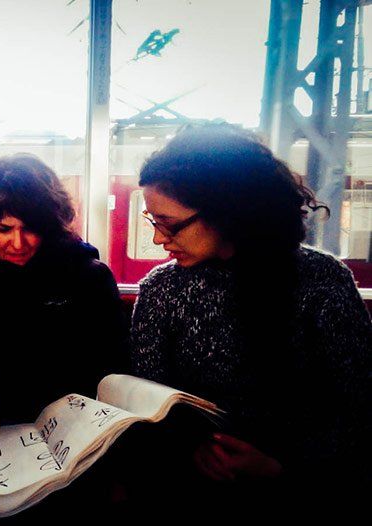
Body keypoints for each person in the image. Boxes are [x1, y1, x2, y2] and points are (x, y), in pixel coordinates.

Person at [130, 124, 371, 508]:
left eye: (170, 224)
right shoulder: (161, 290)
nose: (159, 238)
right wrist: (190, 449)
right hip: (189, 485)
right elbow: (149, 400)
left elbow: (358, 407)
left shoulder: (322, 281)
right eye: (152, 220)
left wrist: (281, 466)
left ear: (228, 212)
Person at [0, 153, 129, 424]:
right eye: (4, 229)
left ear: (50, 226)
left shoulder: (89, 278)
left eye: (30, 229)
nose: (18, 243)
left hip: (70, 427)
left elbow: (114, 368)